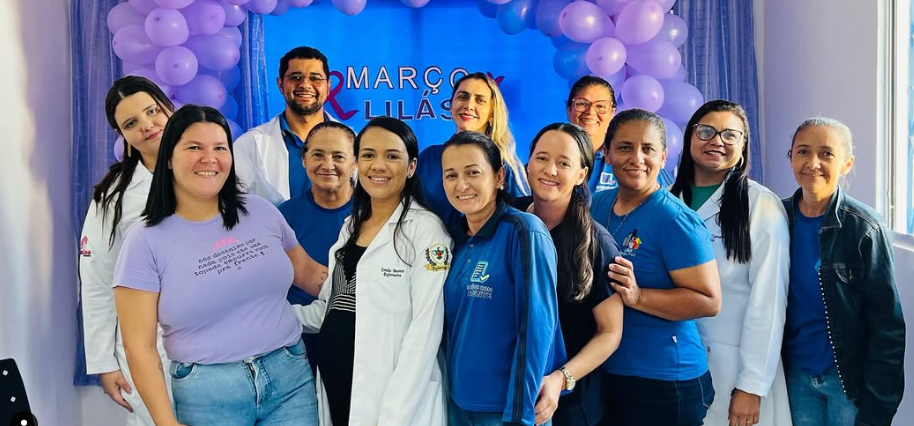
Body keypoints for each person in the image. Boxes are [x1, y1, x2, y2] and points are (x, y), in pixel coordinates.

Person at [113, 105, 326, 426]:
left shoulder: (262, 212)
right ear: (168, 158)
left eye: (220, 148)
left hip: (289, 379)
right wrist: (165, 422)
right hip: (209, 393)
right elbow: (139, 347)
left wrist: (378, 287)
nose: (209, 158)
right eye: (194, 148)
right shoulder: (144, 241)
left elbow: (311, 275)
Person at [294, 117, 451, 426]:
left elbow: (425, 330)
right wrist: (270, 318)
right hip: (340, 386)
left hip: (392, 400)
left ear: (411, 166)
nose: (378, 165)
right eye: (368, 154)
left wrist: (395, 413)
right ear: (357, 163)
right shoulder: (351, 227)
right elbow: (331, 308)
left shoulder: (425, 231)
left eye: (392, 156)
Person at [589, 109, 721, 426]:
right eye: (624, 147)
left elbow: (709, 301)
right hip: (608, 372)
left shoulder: (676, 220)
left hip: (665, 382)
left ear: (663, 157)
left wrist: (638, 296)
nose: (637, 158)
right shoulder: (596, 205)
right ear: (607, 153)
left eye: (648, 149)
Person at [670, 100, 792, 426]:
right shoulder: (666, 199)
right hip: (674, 363)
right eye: (706, 131)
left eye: (729, 135)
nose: (716, 141)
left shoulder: (761, 206)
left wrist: (752, 385)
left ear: (742, 148)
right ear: (690, 136)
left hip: (734, 367)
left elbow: (768, 301)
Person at [782, 117, 905, 426]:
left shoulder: (865, 228)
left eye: (826, 153)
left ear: (847, 163)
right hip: (794, 377)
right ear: (791, 157)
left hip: (848, 382)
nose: (813, 163)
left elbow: (887, 326)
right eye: (803, 151)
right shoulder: (776, 218)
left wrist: (879, 407)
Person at [441, 131, 565, 426]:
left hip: (508, 411)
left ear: (499, 177)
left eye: (473, 172)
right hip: (458, 404)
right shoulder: (453, 240)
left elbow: (537, 328)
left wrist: (520, 415)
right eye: (451, 175)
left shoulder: (523, 231)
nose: (461, 185)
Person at [513, 123, 624, 426]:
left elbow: (610, 332)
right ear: (528, 163)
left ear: (581, 174)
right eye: (542, 158)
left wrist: (560, 379)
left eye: (564, 163)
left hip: (568, 404)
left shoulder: (597, 244)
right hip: (506, 393)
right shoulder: (506, 219)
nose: (550, 170)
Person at [80, 75, 174, 426]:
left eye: (152, 111)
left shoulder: (212, 167)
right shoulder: (115, 196)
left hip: (215, 338)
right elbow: (97, 280)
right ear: (121, 135)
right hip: (148, 343)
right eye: (131, 123)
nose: (147, 126)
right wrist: (104, 362)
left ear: (169, 107)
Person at [278, 121, 357, 372]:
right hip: (297, 349)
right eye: (318, 155)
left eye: (338, 156)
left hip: (358, 345)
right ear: (304, 160)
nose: (327, 164)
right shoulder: (283, 216)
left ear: (355, 162)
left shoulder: (375, 214)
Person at [417, 72, 529, 230]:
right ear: (450, 106)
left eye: (480, 100)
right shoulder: (429, 158)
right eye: (462, 97)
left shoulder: (505, 164)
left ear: (492, 112)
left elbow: (521, 223)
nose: (469, 105)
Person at [234, 46, 340, 205]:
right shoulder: (249, 144)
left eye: (315, 78)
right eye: (296, 77)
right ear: (281, 84)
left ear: (328, 86)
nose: (305, 85)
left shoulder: (354, 144)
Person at [564, 75, 672, 194]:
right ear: (568, 109)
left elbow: (668, 200)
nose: (590, 112)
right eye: (582, 104)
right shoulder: (552, 153)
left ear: (612, 112)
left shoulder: (634, 161)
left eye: (600, 106)